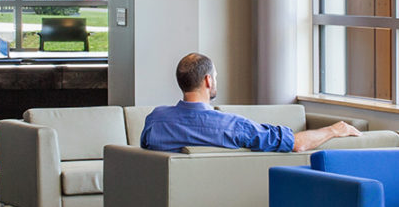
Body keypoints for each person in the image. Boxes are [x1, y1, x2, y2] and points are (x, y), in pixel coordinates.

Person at [141, 52, 360, 153]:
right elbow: (295, 144)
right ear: (208, 80)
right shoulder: (231, 126)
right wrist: (334, 129)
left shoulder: (155, 122)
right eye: (215, 76)